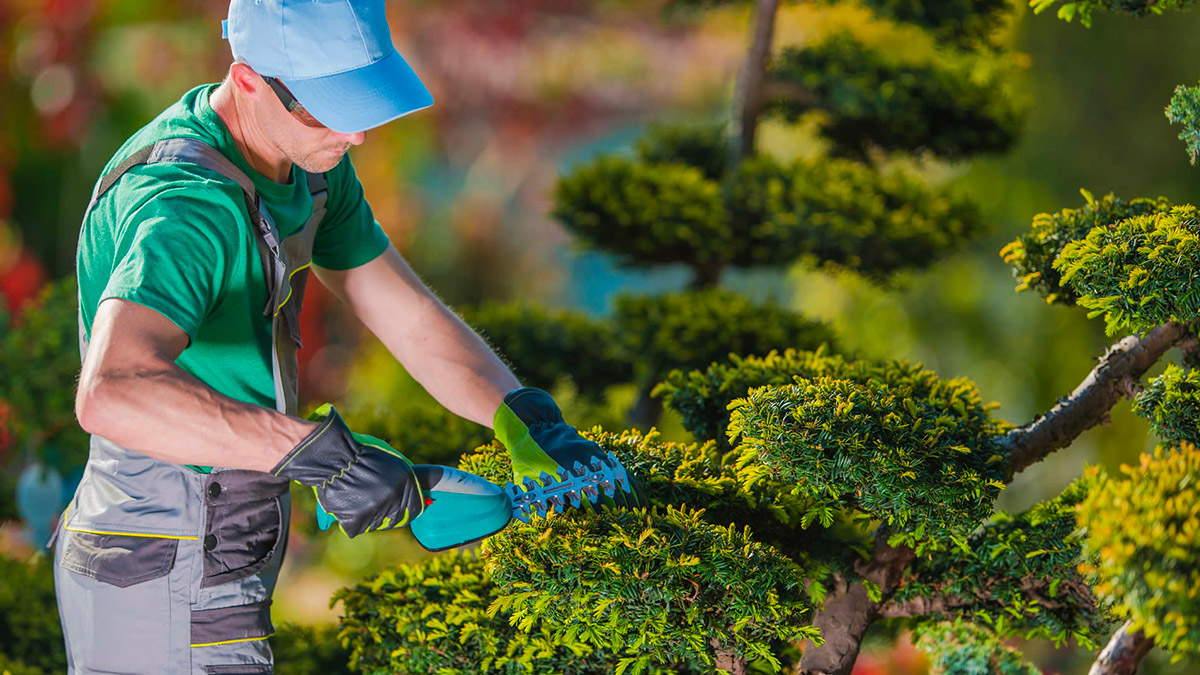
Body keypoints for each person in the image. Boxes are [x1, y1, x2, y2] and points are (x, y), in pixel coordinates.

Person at [52, 1, 639, 673]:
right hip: (155, 552)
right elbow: (113, 392)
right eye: (326, 106)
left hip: (224, 530)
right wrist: (323, 456)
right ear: (248, 83)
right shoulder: (185, 209)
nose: (354, 133)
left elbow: (405, 313)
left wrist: (519, 415)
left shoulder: (308, 161)